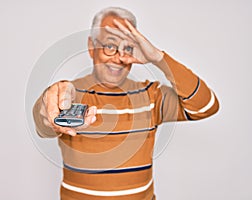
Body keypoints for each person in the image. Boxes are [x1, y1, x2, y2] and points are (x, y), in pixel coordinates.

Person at [33, 7, 219, 200]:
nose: (119, 58)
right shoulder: (70, 95)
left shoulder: (151, 96)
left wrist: (158, 58)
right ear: (91, 46)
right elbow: (43, 123)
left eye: (127, 48)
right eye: (110, 46)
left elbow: (206, 106)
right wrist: (49, 106)